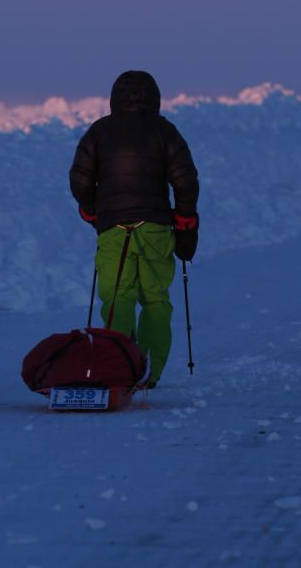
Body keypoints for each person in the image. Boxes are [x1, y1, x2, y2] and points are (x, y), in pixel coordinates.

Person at [69, 70, 199, 387]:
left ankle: (117, 367)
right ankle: (149, 373)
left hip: (113, 227)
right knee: (155, 300)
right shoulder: (165, 131)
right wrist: (185, 223)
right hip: (155, 227)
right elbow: (185, 180)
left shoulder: (99, 132)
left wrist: (92, 212)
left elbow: (80, 179)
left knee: (117, 297)